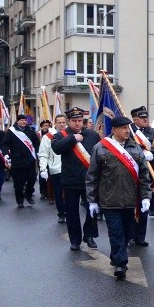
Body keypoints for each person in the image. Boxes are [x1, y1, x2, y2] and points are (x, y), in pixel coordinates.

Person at [86, 116, 152, 280]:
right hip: (109, 200)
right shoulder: (100, 148)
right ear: (114, 130)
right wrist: (92, 200)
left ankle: (117, 256)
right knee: (116, 232)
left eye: (128, 128)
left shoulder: (136, 148)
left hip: (131, 201)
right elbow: (92, 176)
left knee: (128, 232)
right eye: (123, 128)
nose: (126, 131)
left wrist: (145, 197)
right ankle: (120, 263)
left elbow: (144, 175)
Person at [51, 107, 100, 251]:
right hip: (70, 180)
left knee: (92, 209)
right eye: (74, 121)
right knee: (72, 212)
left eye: (80, 121)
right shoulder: (61, 135)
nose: (78, 124)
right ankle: (75, 239)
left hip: (89, 180)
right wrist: (73, 139)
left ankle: (89, 235)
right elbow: (57, 148)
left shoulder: (92, 135)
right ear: (68, 121)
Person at [128, 106, 154, 247]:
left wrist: (153, 156)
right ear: (135, 119)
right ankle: (129, 235)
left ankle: (140, 236)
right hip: (131, 172)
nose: (145, 119)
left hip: (148, 172)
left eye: (146, 117)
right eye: (142, 118)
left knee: (144, 204)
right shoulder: (128, 132)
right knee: (130, 205)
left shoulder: (153, 132)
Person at [6, 114, 40, 208]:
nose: (24, 122)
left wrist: (37, 152)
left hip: (29, 160)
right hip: (17, 161)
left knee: (32, 179)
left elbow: (36, 144)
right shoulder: (11, 131)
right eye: (21, 120)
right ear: (17, 121)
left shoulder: (31, 131)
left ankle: (28, 195)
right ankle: (19, 200)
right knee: (18, 183)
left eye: (25, 120)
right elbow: (6, 144)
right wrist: (6, 154)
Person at [39, 114, 67, 223]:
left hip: (69, 169)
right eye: (59, 122)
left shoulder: (70, 135)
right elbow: (43, 154)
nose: (61, 124)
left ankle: (69, 211)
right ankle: (61, 213)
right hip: (56, 170)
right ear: (55, 123)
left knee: (70, 193)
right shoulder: (48, 137)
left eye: (63, 122)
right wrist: (43, 169)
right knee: (58, 193)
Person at [37, 119, 52, 199]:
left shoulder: (52, 134)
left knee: (50, 175)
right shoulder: (38, 135)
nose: (46, 127)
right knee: (42, 174)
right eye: (44, 126)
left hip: (51, 157)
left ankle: (50, 192)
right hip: (41, 156)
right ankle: (43, 192)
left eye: (47, 125)